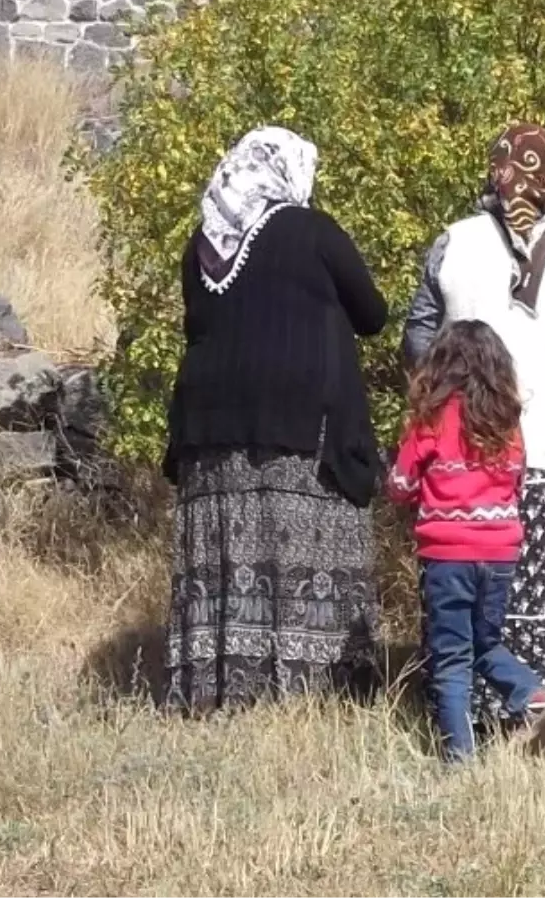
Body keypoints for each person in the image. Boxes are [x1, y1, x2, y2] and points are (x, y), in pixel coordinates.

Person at [402, 123, 545, 720]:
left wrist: (448, 394)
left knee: (469, 606)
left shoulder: (452, 243)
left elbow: (417, 340)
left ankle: (472, 718)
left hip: (468, 455)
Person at [163, 126, 389, 712]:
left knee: (229, 554)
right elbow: (373, 313)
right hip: (300, 425)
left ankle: (219, 691)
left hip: (208, 426)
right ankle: (315, 693)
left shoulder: (202, 245)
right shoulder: (309, 231)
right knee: (305, 550)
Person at [388, 319, 545, 761]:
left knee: (452, 659)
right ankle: (533, 696)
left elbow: (399, 484)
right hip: (500, 552)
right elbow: (517, 482)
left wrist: (416, 491)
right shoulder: (506, 423)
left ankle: (459, 763)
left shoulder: (430, 420)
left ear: (439, 366)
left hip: (448, 554)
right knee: (486, 643)